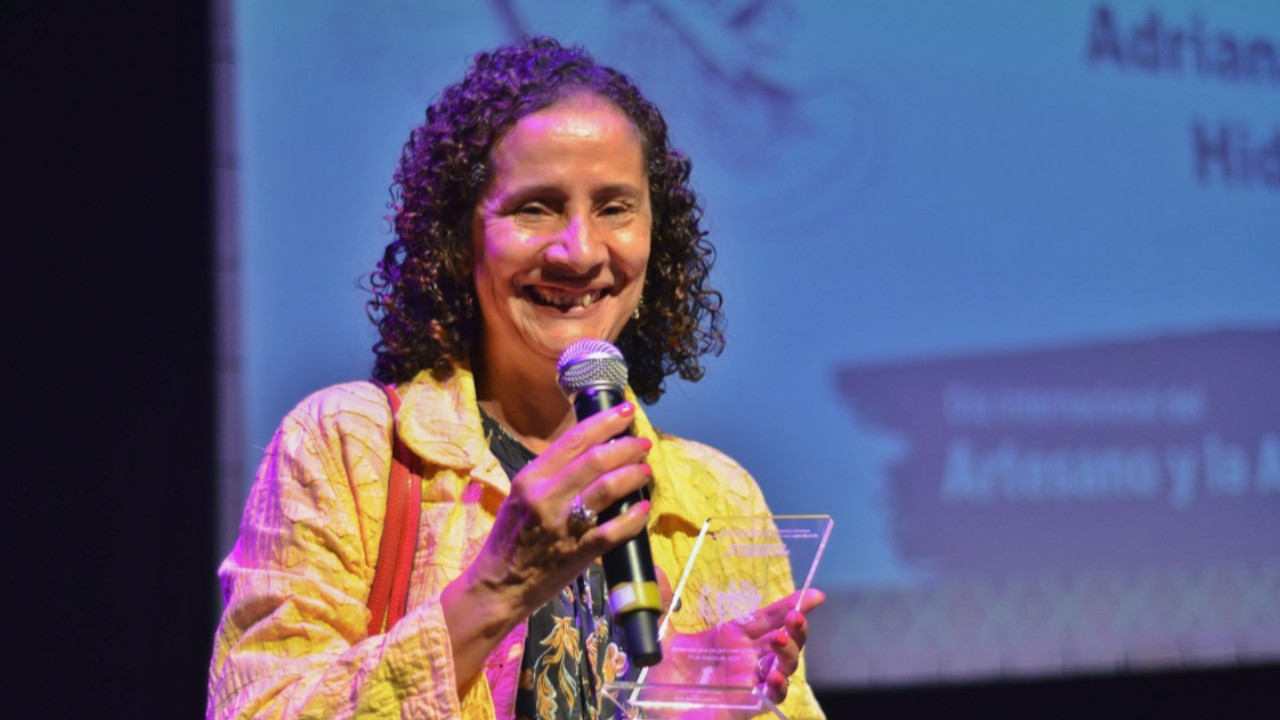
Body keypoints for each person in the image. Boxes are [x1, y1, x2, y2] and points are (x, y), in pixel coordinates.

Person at [207, 37, 825, 719]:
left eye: (615, 207)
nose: (579, 252)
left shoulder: (716, 496)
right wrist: (495, 590)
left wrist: (685, 707)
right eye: (536, 208)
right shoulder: (349, 447)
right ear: (459, 238)